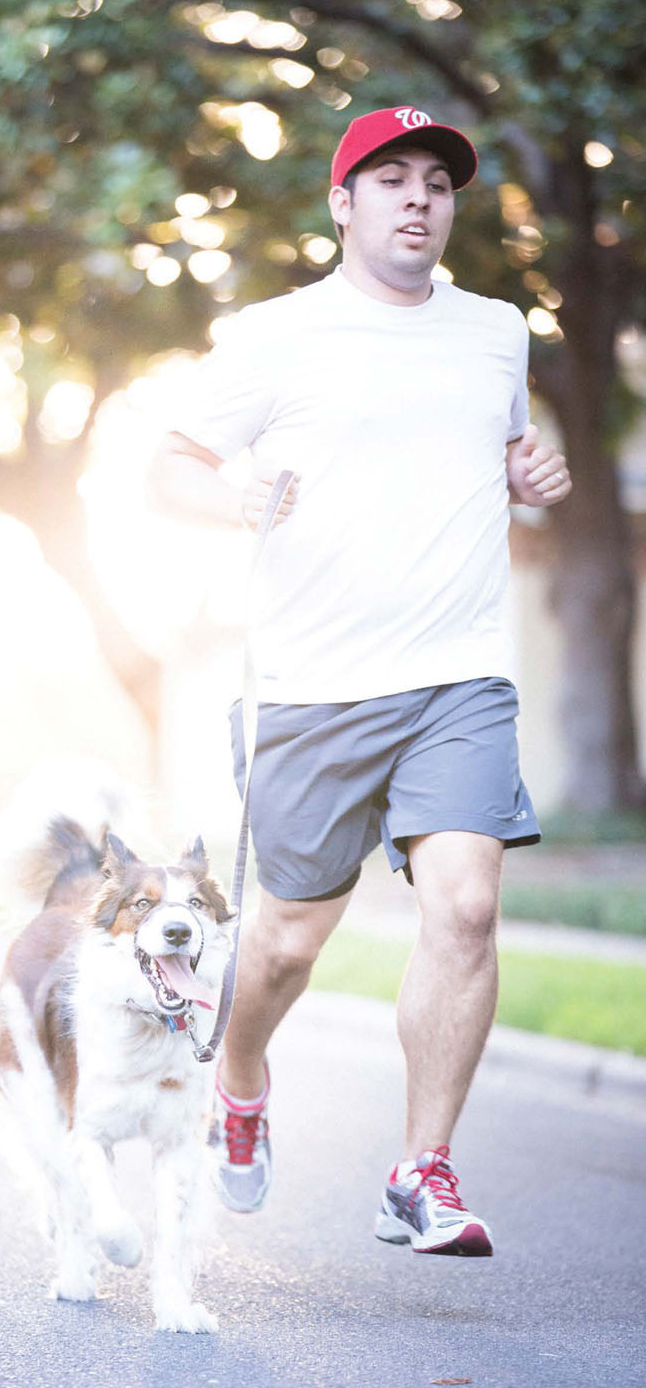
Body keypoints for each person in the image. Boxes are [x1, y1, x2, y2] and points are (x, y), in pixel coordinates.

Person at [150, 105, 572, 1256]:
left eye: (437, 182)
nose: (418, 199)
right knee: (285, 944)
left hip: (457, 677)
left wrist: (534, 467)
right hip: (312, 687)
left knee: (467, 907)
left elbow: (500, 455)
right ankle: (240, 1083)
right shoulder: (279, 336)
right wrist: (226, 497)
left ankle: (420, 1169)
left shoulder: (495, 332)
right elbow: (168, 466)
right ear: (342, 203)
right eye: (390, 179)